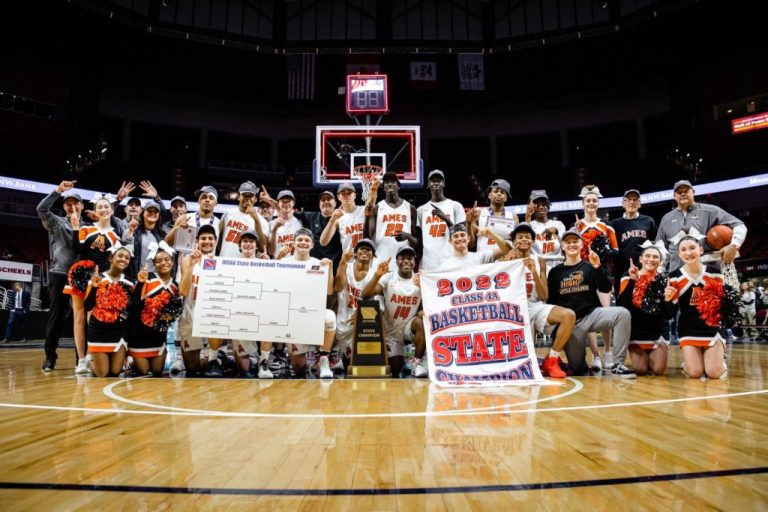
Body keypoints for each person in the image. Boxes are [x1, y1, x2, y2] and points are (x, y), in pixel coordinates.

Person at [546, 229, 635, 377]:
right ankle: (579, 363)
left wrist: (598, 268)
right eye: (568, 242)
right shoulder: (555, 272)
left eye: (575, 241)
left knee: (622, 314)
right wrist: (556, 333)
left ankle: (618, 363)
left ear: (582, 244)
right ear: (562, 246)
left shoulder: (590, 266)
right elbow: (552, 302)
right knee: (578, 370)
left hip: (592, 314)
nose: (572, 244)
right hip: (571, 323)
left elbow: (606, 288)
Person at [501, 224, 576, 379]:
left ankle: (552, 360)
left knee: (568, 315)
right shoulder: (504, 260)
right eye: (520, 237)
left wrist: (534, 271)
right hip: (513, 311)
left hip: (534, 306)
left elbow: (544, 296)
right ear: (513, 241)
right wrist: (504, 265)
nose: (524, 239)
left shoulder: (540, 261)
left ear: (533, 241)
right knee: (525, 365)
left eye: (527, 237)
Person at [68, 192, 123, 375]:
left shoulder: (116, 236)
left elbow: (115, 261)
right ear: (95, 210)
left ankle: (92, 355)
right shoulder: (87, 229)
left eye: (106, 206)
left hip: (101, 280)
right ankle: (81, 359)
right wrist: (76, 228)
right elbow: (77, 249)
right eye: (100, 206)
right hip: (81, 276)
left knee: (93, 318)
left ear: (112, 210)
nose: (103, 209)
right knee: (79, 318)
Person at [275, 228, 337, 378]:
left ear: (312, 245)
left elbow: (329, 291)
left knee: (330, 317)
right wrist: (277, 259)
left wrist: (330, 269)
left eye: (307, 240)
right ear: (293, 243)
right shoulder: (284, 262)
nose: (303, 243)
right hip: (291, 316)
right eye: (300, 240)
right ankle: (284, 357)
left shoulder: (318, 263)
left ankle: (323, 359)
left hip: (312, 314)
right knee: (299, 368)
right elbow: (274, 286)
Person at [665, 235, 727, 379]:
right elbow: (670, 313)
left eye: (692, 248)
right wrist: (668, 300)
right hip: (688, 328)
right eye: (684, 250)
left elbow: (723, 306)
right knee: (695, 373)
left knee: (714, 373)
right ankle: (688, 363)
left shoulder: (715, 272)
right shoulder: (674, 277)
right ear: (679, 254)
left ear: (700, 249)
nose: (688, 253)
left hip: (712, 327)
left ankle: (719, 363)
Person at [36, 181, 83, 371]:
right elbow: (41, 208)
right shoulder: (56, 222)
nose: (72, 206)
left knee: (80, 319)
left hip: (81, 277)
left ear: (82, 206)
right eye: (68, 203)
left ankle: (81, 358)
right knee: (55, 318)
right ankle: (49, 357)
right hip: (59, 274)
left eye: (75, 203)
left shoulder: (88, 226)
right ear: (63, 206)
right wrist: (58, 191)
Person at [362, 246, 427, 378]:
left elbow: (430, 304)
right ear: (396, 262)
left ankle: (417, 362)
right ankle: (404, 356)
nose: (406, 261)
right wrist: (377, 275)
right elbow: (366, 295)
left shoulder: (421, 279)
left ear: (415, 262)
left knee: (421, 323)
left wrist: (421, 308)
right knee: (396, 368)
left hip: (408, 327)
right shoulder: (388, 278)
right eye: (402, 258)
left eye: (410, 258)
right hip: (391, 331)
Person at [656, 180, 747, 273]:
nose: (683, 194)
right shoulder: (666, 218)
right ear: (674, 196)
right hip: (677, 275)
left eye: (686, 191)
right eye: (679, 192)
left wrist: (734, 245)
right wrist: (659, 270)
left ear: (693, 192)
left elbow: (739, 225)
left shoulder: (710, 211)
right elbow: (660, 246)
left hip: (708, 274)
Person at [574, 185, 618, 372]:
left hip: (602, 273)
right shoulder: (576, 227)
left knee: (606, 312)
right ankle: (596, 355)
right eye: (588, 201)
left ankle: (608, 351)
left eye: (594, 200)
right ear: (583, 203)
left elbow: (615, 252)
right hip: (584, 275)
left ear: (598, 203)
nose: (591, 203)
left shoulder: (606, 226)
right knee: (588, 315)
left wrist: (603, 253)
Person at [128, 241, 183, 376]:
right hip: (139, 335)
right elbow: (133, 305)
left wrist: (170, 317)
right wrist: (140, 284)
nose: (163, 263)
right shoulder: (147, 278)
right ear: (154, 263)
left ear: (173, 262)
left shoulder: (175, 286)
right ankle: (132, 361)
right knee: (144, 371)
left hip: (158, 336)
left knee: (157, 371)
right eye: (158, 261)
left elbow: (175, 312)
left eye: (166, 259)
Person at [616, 243, 670, 376]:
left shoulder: (665, 280)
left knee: (658, 370)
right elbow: (621, 306)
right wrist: (633, 281)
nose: (651, 259)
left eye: (655, 257)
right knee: (640, 370)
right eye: (647, 256)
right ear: (641, 259)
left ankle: (654, 356)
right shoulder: (628, 276)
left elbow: (669, 314)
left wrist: (668, 300)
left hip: (657, 332)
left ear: (660, 261)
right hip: (637, 332)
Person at [83, 242, 135, 378]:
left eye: (127, 258)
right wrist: (94, 287)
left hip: (119, 331)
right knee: (103, 373)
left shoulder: (130, 282)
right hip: (99, 330)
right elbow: (87, 306)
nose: (124, 259)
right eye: (120, 256)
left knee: (115, 372)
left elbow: (131, 309)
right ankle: (89, 362)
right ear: (111, 258)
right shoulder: (97, 277)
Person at [177, 224, 219, 376]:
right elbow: (183, 290)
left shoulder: (220, 262)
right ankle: (216, 360)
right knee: (192, 368)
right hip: (190, 315)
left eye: (210, 238)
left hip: (212, 316)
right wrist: (192, 266)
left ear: (215, 241)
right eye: (203, 238)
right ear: (197, 241)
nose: (207, 241)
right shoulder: (188, 260)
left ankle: (215, 358)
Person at [334, 239, 377, 366]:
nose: (364, 250)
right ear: (356, 253)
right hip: (342, 320)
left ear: (373, 255)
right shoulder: (346, 266)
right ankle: (333, 354)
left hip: (361, 322)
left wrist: (362, 314)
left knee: (356, 365)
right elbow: (338, 288)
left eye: (368, 249)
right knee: (347, 364)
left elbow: (375, 303)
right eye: (361, 248)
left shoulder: (375, 273)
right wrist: (342, 262)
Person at [365, 172, 418, 272]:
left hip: (403, 263)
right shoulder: (377, 208)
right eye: (386, 182)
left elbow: (416, 243)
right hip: (381, 260)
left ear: (398, 186)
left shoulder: (410, 208)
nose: (389, 184)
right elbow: (368, 237)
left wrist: (407, 236)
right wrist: (367, 217)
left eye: (393, 182)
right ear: (383, 187)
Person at [416, 170, 467, 271]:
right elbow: (419, 240)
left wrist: (446, 218)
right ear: (428, 184)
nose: (436, 183)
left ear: (444, 184)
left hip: (452, 260)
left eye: (439, 180)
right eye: (432, 181)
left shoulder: (455, 206)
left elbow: (462, 235)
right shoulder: (421, 210)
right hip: (429, 263)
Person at [610, 189, 657, 296]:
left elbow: (656, 246)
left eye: (635, 200)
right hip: (621, 272)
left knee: (645, 302)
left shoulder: (648, 221)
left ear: (639, 204)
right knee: (623, 303)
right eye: (628, 199)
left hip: (645, 270)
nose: (631, 202)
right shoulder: (614, 224)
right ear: (623, 204)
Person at [320, 182, 374, 255]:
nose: (346, 195)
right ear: (339, 197)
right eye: (343, 193)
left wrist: (374, 188)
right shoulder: (338, 218)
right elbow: (323, 242)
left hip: (369, 260)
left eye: (349, 193)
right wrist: (332, 220)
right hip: (350, 262)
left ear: (354, 195)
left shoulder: (365, 210)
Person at [218, 181, 268, 258]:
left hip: (246, 266)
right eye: (244, 195)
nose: (247, 198)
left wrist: (256, 219)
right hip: (225, 262)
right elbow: (219, 239)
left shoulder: (262, 221)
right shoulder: (227, 214)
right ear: (238, 197)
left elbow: (262, 247)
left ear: (255, 199)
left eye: (250, 196)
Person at [467, 178, 518, 253]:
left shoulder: (514, 217)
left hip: (506, 261)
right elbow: (470, 245)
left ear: (506, 198)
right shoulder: (478, 214)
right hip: (485, 261)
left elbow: (516, 243)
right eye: (496, 191)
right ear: (489, 195)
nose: (499, 194)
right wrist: (469, 224)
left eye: (502, 192)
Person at [122, 200, 166, 279]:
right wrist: (130, 232)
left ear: (159, 215)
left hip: (155, 280)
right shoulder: (133, 230)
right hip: (134, 278)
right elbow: (125, 251)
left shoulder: (162, 235)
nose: (152, 213)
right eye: (149, 210)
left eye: (155, 211)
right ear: (143, 213)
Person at [525, 189, 566, 272]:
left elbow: (566, 244)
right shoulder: (529, 224)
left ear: (548, 206)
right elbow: (524, 240)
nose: (541, 207)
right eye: (537, 205)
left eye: (544, 204)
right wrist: (528, 216)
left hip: (558, 264)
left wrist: (556, 230)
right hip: (537, 265)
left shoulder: (558, 224)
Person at [439, 223, 511, 270]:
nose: (460, 238)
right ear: (450, 241)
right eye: (455, 236)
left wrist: (492, 235)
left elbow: (507, 250)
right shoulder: (445, 266)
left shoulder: (481, 257)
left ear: (468, 238)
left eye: (462, 235)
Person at [268, 190, 304, 258]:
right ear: (278, 203)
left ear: (293, 203)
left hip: (296, 265)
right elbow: (270, 252)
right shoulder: (271, 224)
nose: (286, 204)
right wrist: (275, 229)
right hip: (278, 263)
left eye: (288, 201)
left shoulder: (301, 222)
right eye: (283, 201)